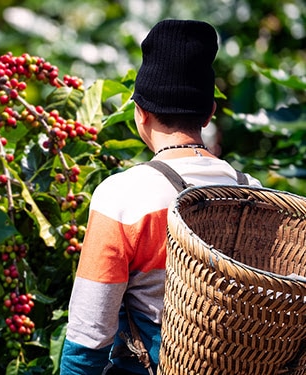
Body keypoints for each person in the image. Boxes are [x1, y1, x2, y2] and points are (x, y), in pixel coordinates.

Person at [60, 19, 261, 375]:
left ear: (140, 114)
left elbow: (88, 337)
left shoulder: (121, 196)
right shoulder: (254, 192)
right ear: (209, 113)